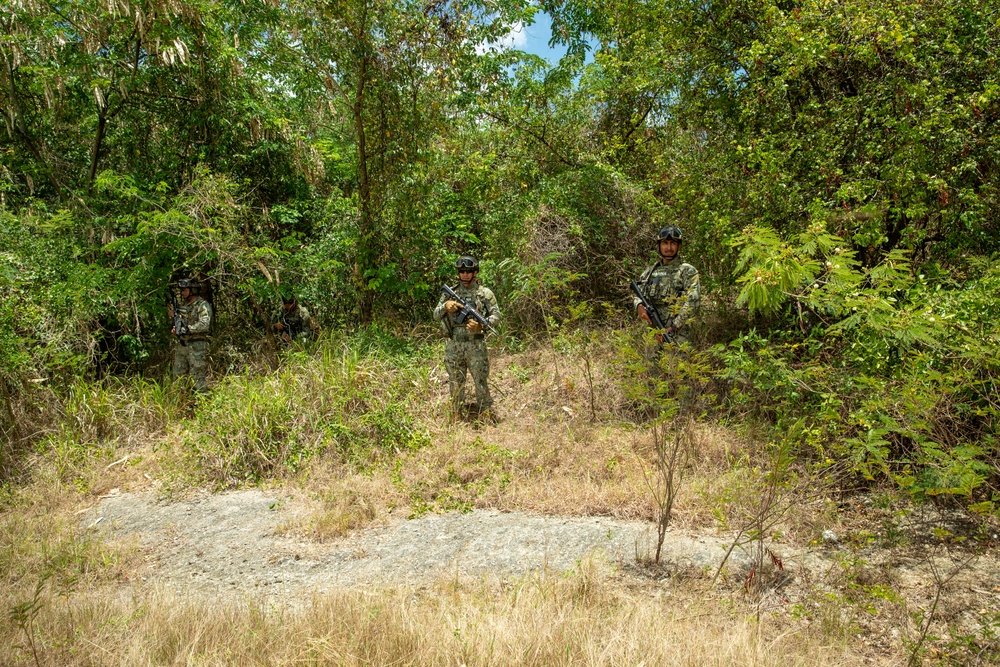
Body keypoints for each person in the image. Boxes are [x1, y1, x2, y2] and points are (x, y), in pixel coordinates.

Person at [433, 256, 501, 418]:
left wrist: (481, 325)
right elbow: (435, 315)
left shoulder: (485, 294)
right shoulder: (451, 293)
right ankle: (456, 415)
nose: (464, 274)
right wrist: (445, 307)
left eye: (468, 271)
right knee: (455, 382)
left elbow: (496, 317)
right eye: (461, 271)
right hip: (454, 345)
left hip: (476, 345)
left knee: (481, 381)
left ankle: (485, 414)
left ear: (475, 272)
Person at [633, 225, 701, 346]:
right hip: (654, 334)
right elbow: (638, 294)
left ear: (679, 245)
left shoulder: (687, 271)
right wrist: (638, 305)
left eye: (673, 243)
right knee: (651, 365)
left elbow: (693, 301)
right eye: (665, 243)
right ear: (659, 245)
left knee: (677, 364)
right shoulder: (650, 272)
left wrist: (674, 327)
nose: (669, 248)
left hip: (678, 335)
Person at [168, 278, 213, 393]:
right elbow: (180, 323)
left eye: (185, 290)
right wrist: (175, 326)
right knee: (178, 377)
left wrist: (187, 329)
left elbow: (204, 325)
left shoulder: (202, 305)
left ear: (193, 290)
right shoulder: (183, 306)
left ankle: (205, 404)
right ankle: (180, 403)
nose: (182, 293)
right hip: (183, 344)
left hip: (197, 345)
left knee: (198, 378)